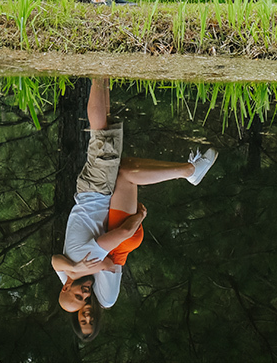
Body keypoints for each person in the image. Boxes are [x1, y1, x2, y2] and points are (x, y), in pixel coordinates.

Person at [51, 78, 218, 341]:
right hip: (108, 214)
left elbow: (58, 261)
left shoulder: (76, 270)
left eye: (81, 314)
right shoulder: (91, 281)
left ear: (66, 290)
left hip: (93, 196)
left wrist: (77, 267)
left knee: (112, 147)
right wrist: (138, 219)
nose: (86, 306)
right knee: (102, 136)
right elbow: (107, 255)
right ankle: (189, 171)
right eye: (90, 318)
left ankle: (102, 73)